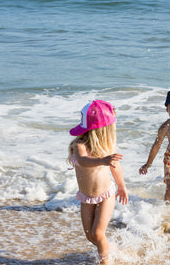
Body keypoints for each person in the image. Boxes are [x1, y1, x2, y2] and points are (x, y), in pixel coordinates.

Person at [68, 100, 128, 264]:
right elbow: (83, 160)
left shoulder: (108, 146)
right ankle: (112, 251)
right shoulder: (79, 145)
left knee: (98, 233)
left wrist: (121, 186)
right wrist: (102, 160)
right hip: (86, 197)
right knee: (90, 236)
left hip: (106, 194)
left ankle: (106, 261)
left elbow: (115, 166)